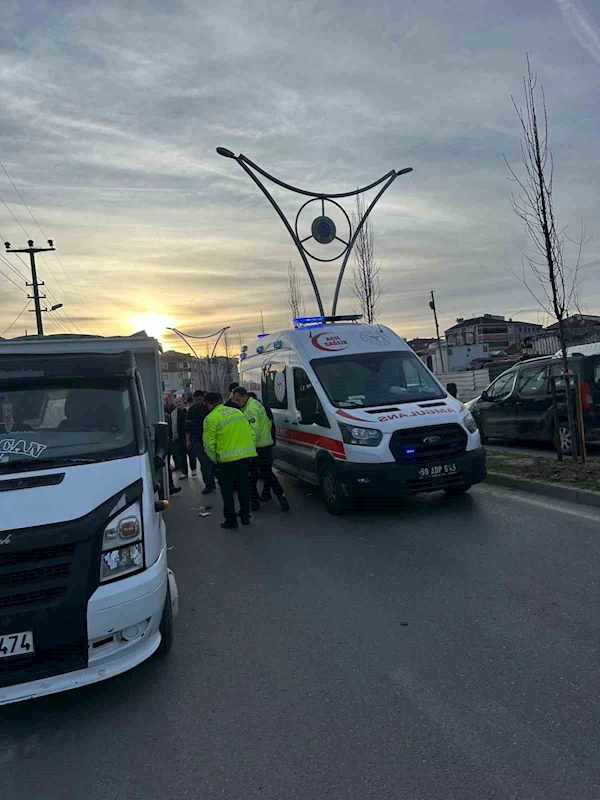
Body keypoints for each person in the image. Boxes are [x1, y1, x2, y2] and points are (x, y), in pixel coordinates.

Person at [203, 392, 257, 529]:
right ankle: (245, 516)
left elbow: (208, 444)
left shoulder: (211, 418)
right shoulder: (237, 412)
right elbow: (251, 433)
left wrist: (215, 460)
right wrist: (250, 451)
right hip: (244, 458)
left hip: (226, 461)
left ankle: (231, 520)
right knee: (243, 489)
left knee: (227, 492)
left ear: (208, 404)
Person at [232, 386, 290, 512]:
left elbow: (255, 431)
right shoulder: (255, 404)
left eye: (238, 400)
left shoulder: (251, 409)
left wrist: (249, 449)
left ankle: (254, 502)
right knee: (268, 474)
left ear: (244, 396)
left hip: (257, 447)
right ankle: (281, 498)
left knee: (251, 476)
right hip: (265, 444)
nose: (236, 403)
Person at [185, 390, 216, 495]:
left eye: (200, 399)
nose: (198, 401)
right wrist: (188, 440)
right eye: (196, 400)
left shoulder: (208, 409)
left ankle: (211, 481)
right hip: (197, 440)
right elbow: (187, 427)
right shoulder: (191, 410)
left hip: (210, 439)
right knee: (203, 463)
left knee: (211, 462)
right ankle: (208, 484)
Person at [170, 395, 197, 478]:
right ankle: (184, 472)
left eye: (179, 402)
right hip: (178, 437)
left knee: (191, 454)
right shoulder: (173, 413)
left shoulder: (188, 411)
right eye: (176, 402)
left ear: (183, 402)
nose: (178, 404)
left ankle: (193, 469)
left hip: (188, 436)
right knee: (181, 456)